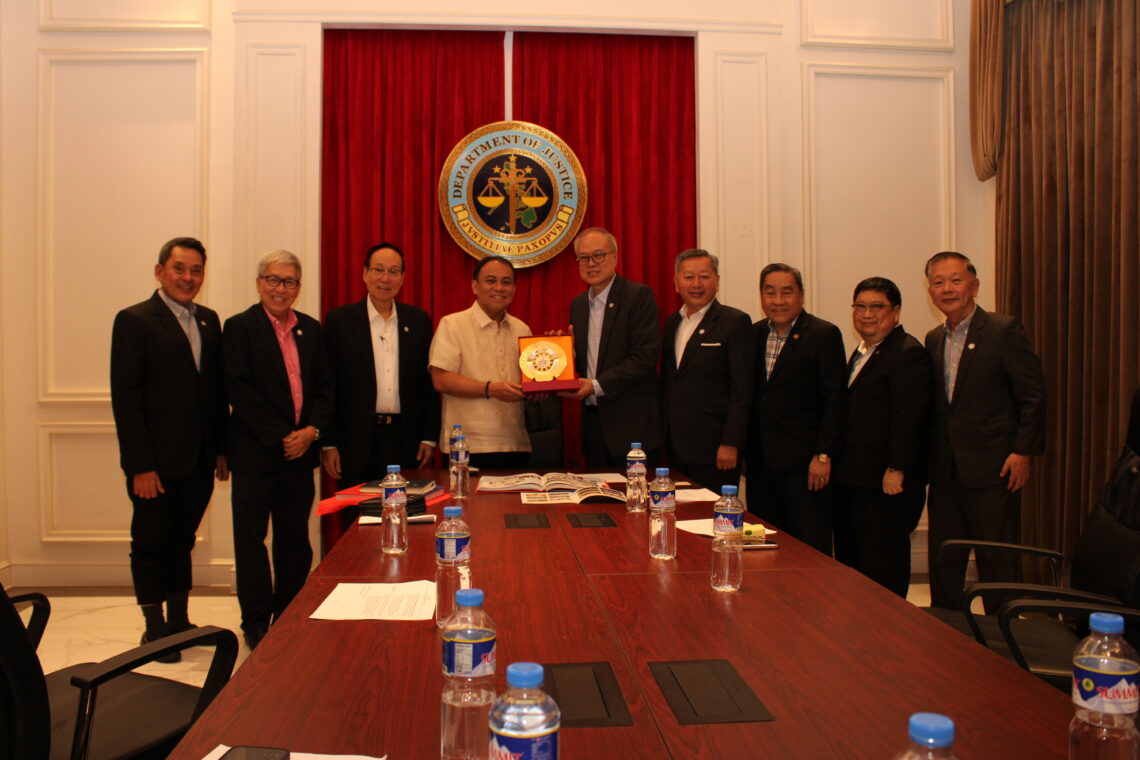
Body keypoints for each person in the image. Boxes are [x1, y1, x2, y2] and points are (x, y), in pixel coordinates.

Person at [110, 237, 228, 660]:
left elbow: (214, 393)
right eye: (179, 269)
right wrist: (140, 465)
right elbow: (126, 400)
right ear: (160, 271)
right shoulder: (134, 320)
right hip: (154, 465)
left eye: (196, 270)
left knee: (182, 541)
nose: (188, 278)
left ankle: (179, 621)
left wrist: (220, 450)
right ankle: (154, 627)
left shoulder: (209, 321)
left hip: (199, 459)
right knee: (150, 543)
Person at [923, 251, 1046, 609]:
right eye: (938, 282)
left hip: (995, 468)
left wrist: (1023, 451)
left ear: (974, 286)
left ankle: (999, 634)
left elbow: (1033, 396)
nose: (947, 288)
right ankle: (944, 628)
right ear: (930, 291)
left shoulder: (1002, 330)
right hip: (946, 470)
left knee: (997, 561)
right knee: (944, 559)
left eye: (956, 280)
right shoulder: (933, 338)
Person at [224, 249, 332, 649]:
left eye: (288, 282)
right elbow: (238, 389)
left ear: (298, 288)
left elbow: (325, 388)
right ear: (259, 283)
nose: (280, 288)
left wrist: (310, 432)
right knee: (251, 541)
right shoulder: (239, 328)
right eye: (273, 279)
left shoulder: (311, 329)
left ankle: (288, 613)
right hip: (256, 453)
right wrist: (282, 435)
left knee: (294, 540)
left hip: (300, 454)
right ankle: (255, 621)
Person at [832, 277, 932, 597]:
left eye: (877, 306)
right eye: (860, 306)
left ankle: (888, 623)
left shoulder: (907, 353)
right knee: (855, 562)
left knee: (883, 564)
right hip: (856, 478)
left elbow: (910, 418)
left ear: (896, 312)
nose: (867, 314)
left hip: (885, 482)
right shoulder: (864, 351)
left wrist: (896, 468)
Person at [322, 243, 439, 498]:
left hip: (405, 440)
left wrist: (429, 437)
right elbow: (327, 385)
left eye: (393, 271)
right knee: (357, 516)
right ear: (365, 273)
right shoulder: (340, 321)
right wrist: (329, 443)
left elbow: (428, 383)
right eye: (378, 270)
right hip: (353, 442)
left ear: (402, 278)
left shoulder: (418, 321)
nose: (385, 278)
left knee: (405, 513)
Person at [744, 263, 846, 554]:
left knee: (809, 547)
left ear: (801, 294)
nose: (778, 301)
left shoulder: (823, 334)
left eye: (786, 292)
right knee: (765, 545)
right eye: (770, 292)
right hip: (761, 464)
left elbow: (834, 400)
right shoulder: (753, 334)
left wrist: (823, 454)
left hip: (805, 466)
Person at [564, 227, 662, 468]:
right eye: (584, 257)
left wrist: (595, 386)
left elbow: (644, 357)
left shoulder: (638, 296)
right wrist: (565, 354)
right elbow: (587, 362)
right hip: (594, 426)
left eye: (599, 255)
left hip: (632, 427)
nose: (591, 263)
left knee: (636, 492)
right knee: (596, 492)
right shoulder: (578, 305)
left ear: (615, 257)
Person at [660, 249, 754, 492]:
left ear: (717, 281)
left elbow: (742, 389)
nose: (696, 284)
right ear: (676, 282)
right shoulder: (672, 323)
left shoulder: (735, 322)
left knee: (714, 513)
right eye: (689, 277)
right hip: (676, 447)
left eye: (704, 276)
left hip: (716, 449)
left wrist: (731, 443)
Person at [429, 256, 531, 469]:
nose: (499, 288)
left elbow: (530, 380)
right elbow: (441, 380)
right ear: (475, 286)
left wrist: (544, 383)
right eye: (491, 281)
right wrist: (490, 389)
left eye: (506, 282)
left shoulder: (522, 329)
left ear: (514, 288)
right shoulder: (452, 324)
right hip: (467, 445)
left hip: (515, 443)